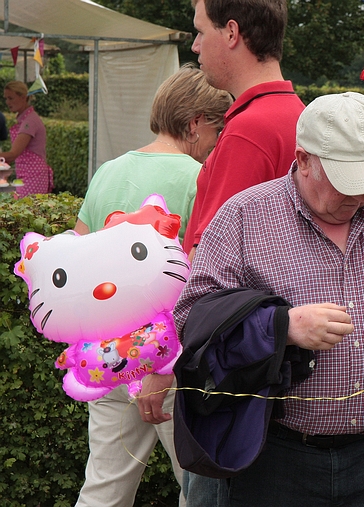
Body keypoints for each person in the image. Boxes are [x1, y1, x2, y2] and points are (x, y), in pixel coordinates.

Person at [173, 91, 364, 506]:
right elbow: (191, 322)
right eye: (345, 181)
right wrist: (284, 327)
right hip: (277, 458)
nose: (360, 196)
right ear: (303, 160)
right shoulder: (244, 216)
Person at [72, 65, 232, 507]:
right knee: (197, 487)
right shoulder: (202, 179)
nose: (221, 140)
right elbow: (200, 278)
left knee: (104, 485)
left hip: (107, 354)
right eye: (221, 126)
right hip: (171, 355)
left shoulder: (108, 170)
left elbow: (79, 266)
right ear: (197, 122)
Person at [182, 0, 306, 260]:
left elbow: (212, 256)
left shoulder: (249, 129)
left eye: (201, 32)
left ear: (231, 33)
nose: (195, 46)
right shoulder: (298, 113)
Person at [0, 81, 53, 197]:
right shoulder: (26, 119)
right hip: (27, 175)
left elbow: (14, 153)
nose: (7, 102)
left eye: (11, 98)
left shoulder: (30, 121)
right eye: (6, 98)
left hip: (33, 177)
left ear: (23, 97)